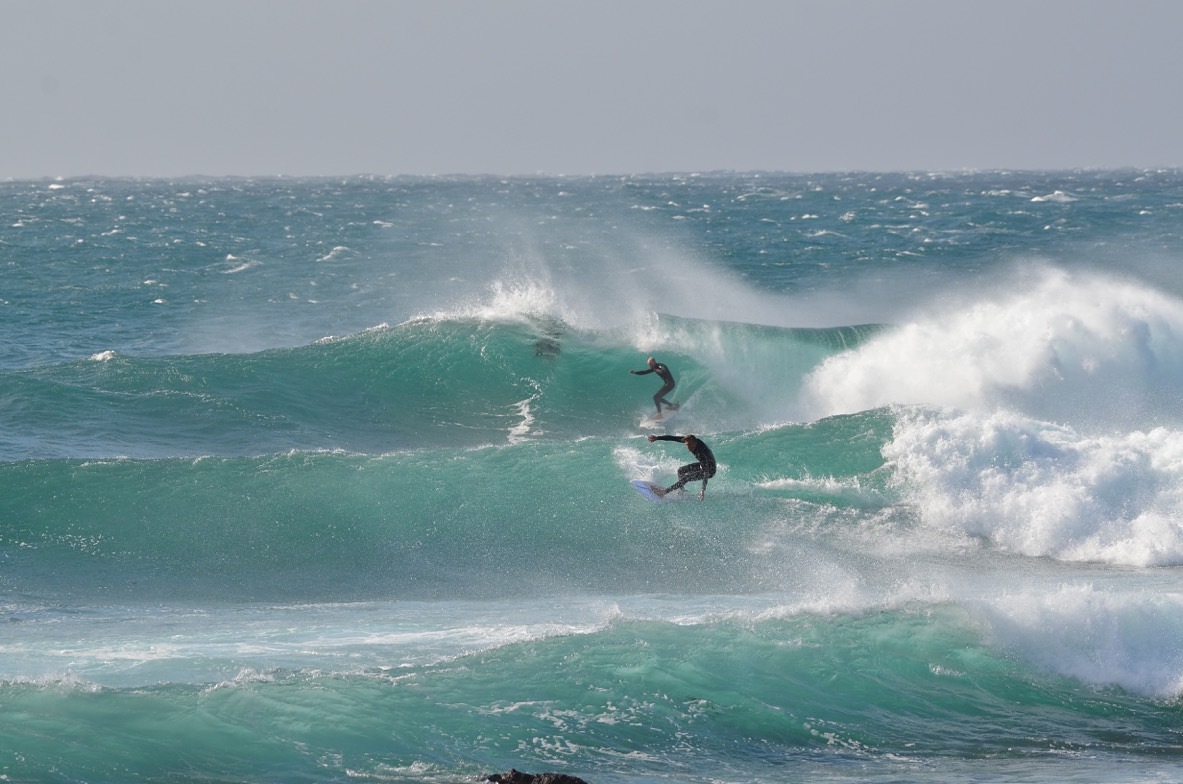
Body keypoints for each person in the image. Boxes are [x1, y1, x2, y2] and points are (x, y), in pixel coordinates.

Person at [646, 433, 716, 500]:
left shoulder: (701, 453)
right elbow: (673, 438)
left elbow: (706, 472)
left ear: (695, 443)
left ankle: (664, 492)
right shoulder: (690, 440)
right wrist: (657, 438)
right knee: (681, 470)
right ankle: (682, 491)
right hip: (702, 464)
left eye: (690, 445)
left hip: (710, 470)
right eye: (687, 445)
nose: (688, 447)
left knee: (687, 477)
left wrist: (703, 489)